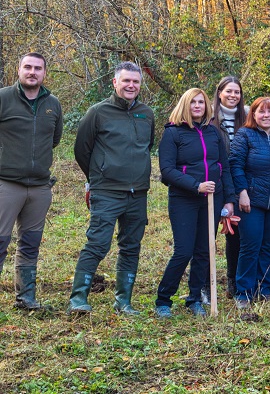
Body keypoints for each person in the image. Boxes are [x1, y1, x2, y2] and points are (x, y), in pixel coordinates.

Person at [69, 61, 156, 315]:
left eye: (136, 81)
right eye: (126, 81)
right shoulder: (98, 112)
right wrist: (99, 175)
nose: (131, 85)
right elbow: (81, 150)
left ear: (140, 85)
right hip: (106, 191)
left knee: (131, 246)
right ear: (115, 82)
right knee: (97, 244)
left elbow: (146, 146)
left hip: (137, 193)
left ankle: (123, 302)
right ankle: (78, 299)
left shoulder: (147, 114)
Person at [153, 88, 235, 318]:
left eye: (201, 102)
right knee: (184, 251)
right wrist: (195, 185)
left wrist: (229, 200)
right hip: (184, 199)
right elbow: (167, 171)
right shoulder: (173, 134)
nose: (197, 106)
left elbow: (224, 167)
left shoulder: (213, 133)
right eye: (193, 102)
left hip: (212, 197)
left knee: (204, 251)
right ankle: (163, 300)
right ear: (185, 105)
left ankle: (194, 298)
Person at [0, 53, 63, 310]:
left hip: (39, 187)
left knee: (30, 243)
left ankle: (26, 299)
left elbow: (55, 139)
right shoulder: (3, 98)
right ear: (19, 70)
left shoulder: (53, 104)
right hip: (6, 183)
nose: (32, 72)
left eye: (38, 68)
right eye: (27, 67)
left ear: (44, 73)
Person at [229, 97, 270, 319]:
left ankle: (264, 288)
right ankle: (243, 292)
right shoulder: (244, 135)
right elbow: (235, 164)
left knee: (268, 246)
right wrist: (242, 192)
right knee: (250, 246)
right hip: (251, 201)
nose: (267, 115)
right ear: (253, 114)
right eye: (262, 112)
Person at [209, 75, 248, 299]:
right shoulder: (210, 118)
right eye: (229, 91)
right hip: (217, 181)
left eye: (237, 92)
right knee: (208, 233)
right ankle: (205, 282)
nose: (233, 96)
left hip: (241, 182)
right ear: (220, 93)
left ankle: (233, 280)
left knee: (236, 235)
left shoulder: (248, 117)